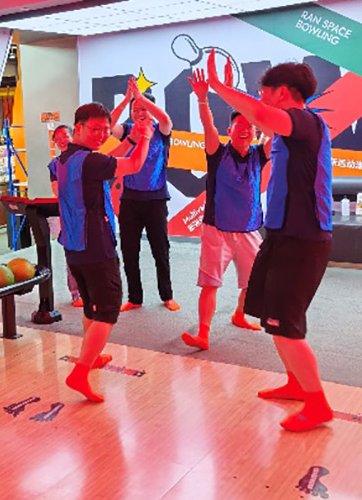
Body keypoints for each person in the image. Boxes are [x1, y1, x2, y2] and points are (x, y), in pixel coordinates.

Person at [206, 50, 334, 432]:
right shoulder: (288, 131)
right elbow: (262, 119)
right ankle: (296, 384)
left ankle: (318, 405)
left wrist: (218, 87)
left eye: (264, 91)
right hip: (281, 235)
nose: (260, 99)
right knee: (272, 318)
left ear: (282, 92)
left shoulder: (305, 121)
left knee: (287, 325)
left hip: (303, 239)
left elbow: (260, 115)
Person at [57, 102, 153, 403]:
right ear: (79, 128)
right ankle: (80, 372)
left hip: (74, 246)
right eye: (95, 129)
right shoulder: (89, 161)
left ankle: (92, 356)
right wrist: (145, 137)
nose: (100, 135)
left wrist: (132, 138)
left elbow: (108, 159)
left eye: (105, 130)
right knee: (108, 311)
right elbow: (134, 165)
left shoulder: (66, 158)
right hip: (96, 246)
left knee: (91, 306)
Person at [181, 65, 268, 351]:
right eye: (238, 126)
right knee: (210, 284)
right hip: (216, 230)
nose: (244, 130)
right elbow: (208, 125)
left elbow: (276, 131)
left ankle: (239, 314)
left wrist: (259, 104)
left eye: (249, 126)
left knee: (252, 282)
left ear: (255, 132)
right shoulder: (217, 153)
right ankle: (203, 334)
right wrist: (202, 98)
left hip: (249, 230)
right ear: (229, 130)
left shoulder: (259, 154)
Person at [110, 77, 179, 312]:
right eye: (135, 109)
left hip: (156, 199)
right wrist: (127, 100)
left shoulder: (161, 130)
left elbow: (166, 119)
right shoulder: (128, 131)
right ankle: (134, 297)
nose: (139, 113)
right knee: (129, 251)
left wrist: (140, 98)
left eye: (143, 108)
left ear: (151, 109)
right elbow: (109, 125)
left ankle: (167, 295)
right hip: (130, 200)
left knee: (161, 250)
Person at [47, 124, 82, 306]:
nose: (61, 140)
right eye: (57, 138)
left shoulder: (84, 157)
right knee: (72, 252)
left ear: (73, 137)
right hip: (69, 214)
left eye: (65, 136)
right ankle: (76, 293)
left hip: (88, 212)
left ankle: (95, 291)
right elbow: (57, 190)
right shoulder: (55, 165)